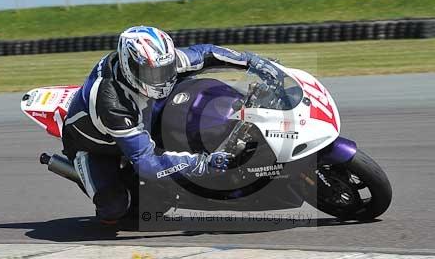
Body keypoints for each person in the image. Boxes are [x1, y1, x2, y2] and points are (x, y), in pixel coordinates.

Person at [62, 25, 279, 223]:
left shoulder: (162, 63)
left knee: (191, 106)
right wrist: (203, 164)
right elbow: (146, 162)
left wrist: (252, 61)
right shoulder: (112, 101)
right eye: (152, 73)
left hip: (145, 111)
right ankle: (88, 173)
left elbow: (207, 53)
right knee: (114, 209)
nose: (160, 79)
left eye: (165, 70)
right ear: (130, 67)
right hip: (98, 147)